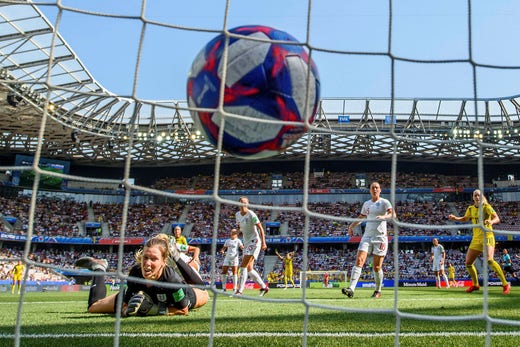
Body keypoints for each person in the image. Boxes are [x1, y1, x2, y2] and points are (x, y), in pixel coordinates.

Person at [75, 236, 208, 316]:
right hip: (141, 296)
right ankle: (99, 268)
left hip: (179, 298)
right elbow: (125, 305)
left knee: (205, 295)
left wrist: (153, 310)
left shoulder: (171, 279)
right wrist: (126, 311)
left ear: (164, 261)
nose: (147, 264)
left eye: (154, 259)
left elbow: (183, 310)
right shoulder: (135, 273)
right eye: (145, 257)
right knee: (93, 308)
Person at [448, 189, 510, 295]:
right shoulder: (471, 208)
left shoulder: (487, 207)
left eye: (479, 195)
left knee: (489, 260)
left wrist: (491, 221)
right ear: (473, 197)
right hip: (476, 238)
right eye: (475, 195)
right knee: (468, 263)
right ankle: (475, 285)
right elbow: (465, 218)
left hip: (487, 236)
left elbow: (497, 218)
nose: (477, 197)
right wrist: (455, 218)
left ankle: (505, 284)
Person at [341, 182, 394, 299]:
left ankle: (378, 290)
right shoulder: (366, 204)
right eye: (372, 188)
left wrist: (384, 217)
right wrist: (351, 226)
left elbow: (392, 214)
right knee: (359, 260)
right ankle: (351, 289)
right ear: (370, 190)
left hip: (380, 238)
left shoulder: (385, 202)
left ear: (380, 190)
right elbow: (361, 217)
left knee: (377, 267)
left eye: (377, 188)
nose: (375, 189)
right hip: (367, 237)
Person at [235, 196, 269, 296]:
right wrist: (236, 232)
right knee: (249, 269)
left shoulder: (251, 214)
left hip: (254, 241)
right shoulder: (237, 215)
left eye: (245, 202)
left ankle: (239, 291)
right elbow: (239, 227)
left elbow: (261, 228)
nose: (243, 204)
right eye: (241, 202)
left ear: (247, 204)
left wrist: (264, 242)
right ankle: (264, 287)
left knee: (243, 265)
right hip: (246, 242)